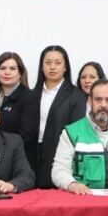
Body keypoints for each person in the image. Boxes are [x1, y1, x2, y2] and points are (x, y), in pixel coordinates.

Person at [32, 45, 86, 188]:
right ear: (42, 66)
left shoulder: (76, 95)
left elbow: (76, 132)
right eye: (48, 62)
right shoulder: (32, 94)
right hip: (32, 154)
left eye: (58, 63)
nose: (52, 67)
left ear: (65, 67)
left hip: (59, 154)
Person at [0, 52, 37, 171]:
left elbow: (26, 135)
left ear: (20, 73)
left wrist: (3, 152)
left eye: (12, 68)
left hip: (14, 159)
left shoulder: (29, 97)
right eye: (2, 68)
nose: (7, 72)